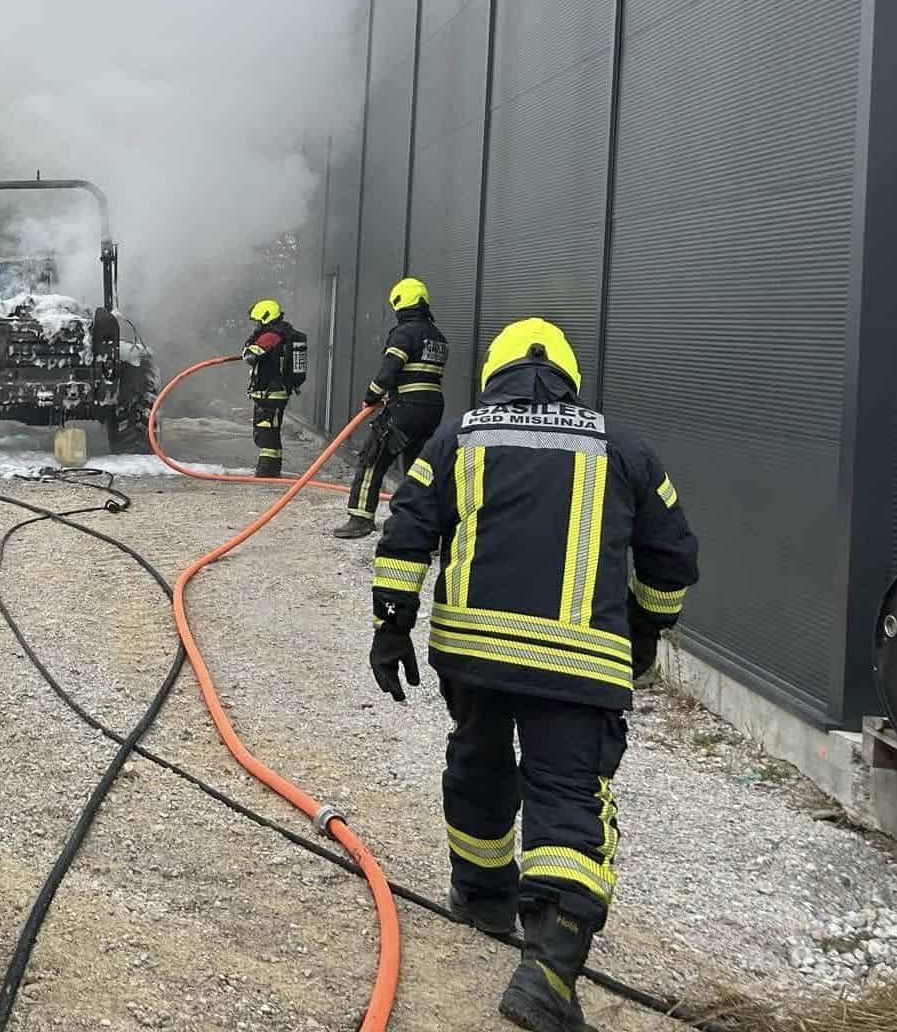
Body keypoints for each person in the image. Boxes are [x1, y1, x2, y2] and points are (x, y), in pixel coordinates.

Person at [367, 318, 699, 1032]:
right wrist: (642, 635)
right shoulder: (626, 447)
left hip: (475, 655)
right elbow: (673, 559)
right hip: (579, 666)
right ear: (569, 379)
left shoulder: (460, 437)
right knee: (568, 796)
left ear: (496, 373)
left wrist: (391, 626)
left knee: (479, 765)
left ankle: (483, 897)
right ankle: (547, 972)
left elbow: (407, 529)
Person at [335, 276, 448, 540]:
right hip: (431, 410)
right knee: (418, 469)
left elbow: (389, 371)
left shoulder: (404, 333)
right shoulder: (437, 336)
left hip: (405, 409)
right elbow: (420, 374)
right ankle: (421, 527)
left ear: (400, 303)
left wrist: (371, 397)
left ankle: (360, 519)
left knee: (372, 457)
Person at [241, 298, 306, 477]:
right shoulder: (283, 334)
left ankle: (266, 471)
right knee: (270, 430)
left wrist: (248, 347)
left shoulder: (271, 336)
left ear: (265, 317)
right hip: (275, 392)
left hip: (271, 393)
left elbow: (250, 355)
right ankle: (272, 469)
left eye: (257, 321)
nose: (256, 326)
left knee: (266, 432)